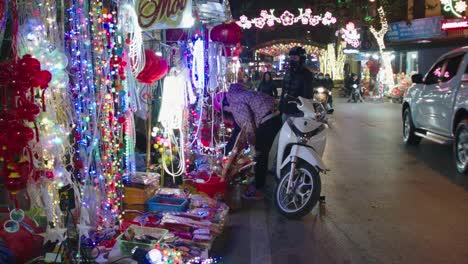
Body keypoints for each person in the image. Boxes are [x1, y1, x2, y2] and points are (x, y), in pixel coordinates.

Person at [222, 83, 282, 200]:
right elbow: (238, 130)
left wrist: (252, 141)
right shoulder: (242, 95)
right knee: (263, 153)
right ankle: (260, 182)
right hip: (275, 116)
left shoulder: (235, 104)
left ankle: (258, 188)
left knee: (260, 153)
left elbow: (247, 125)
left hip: (268, 121)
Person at [280, 46, 314, 122]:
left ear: (301, 59)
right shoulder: (288, 72)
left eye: (295, 57)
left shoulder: (307, 74)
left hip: (298, 113)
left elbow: (308, 95)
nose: (292, 59)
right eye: (291, 57)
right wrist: (281, 106)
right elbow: (284, 90)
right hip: (286, 111)